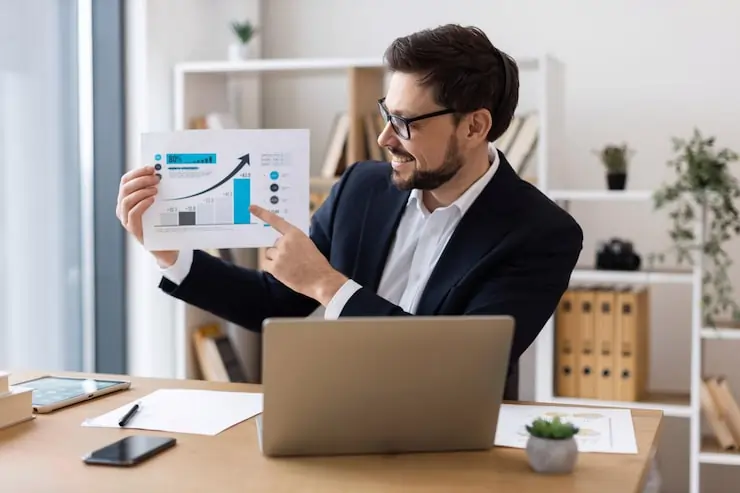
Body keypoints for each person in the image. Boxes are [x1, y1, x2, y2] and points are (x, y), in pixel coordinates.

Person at [116, 24, 583, 400]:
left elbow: (464, 367)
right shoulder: (362, 187)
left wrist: (327, 284)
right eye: (386, 114)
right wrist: (171, 254)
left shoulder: (541, 233)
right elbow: (275, 303)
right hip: (336, 407)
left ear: (475, 126)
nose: (384, 139)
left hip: (451, 433)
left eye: (404, 123)